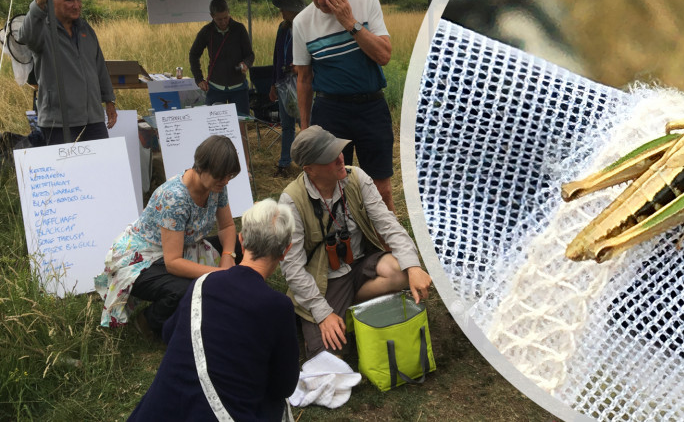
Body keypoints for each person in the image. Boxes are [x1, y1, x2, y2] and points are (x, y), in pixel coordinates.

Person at [128, 199, 299, 422]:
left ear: (241, 240)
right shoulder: (279, 307)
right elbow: (284, 386)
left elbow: (171, 332)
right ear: (285, 251)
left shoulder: (202, 283)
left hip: (161, 411)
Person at [279, 125, 432, 358]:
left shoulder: (357, 178)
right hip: (325, 279)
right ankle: (332, 312)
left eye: (338, 150)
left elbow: (388, 224)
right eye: (330, 157)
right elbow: (292, 268)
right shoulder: (291, 201)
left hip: (361, 264)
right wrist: (323, 313)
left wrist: (413, 266)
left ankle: (348, 306)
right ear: (310, 169)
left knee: (400, 272)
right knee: (329, 357)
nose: (340, 158)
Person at [94, 135, 242, 338]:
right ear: (202, 167)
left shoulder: (216, 186)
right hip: (143, 259)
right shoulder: (175, 198)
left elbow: (226, 226)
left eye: (229, 176)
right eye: (221, 177)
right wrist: (219, 274)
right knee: (184, 290)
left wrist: (228, 255)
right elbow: (173, 263)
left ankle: (232, 297)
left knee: (244, 244)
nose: (225, 181)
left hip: (180, 249)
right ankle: (148, 320)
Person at [293, 0, 397, 211]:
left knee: (381, 190)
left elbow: (383, 55)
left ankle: (390, 246)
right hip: (330, 111)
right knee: (332, 190)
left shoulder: (366, 0)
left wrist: (350, 22)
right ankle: (346, 248)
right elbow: (304, 79)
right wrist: (305, 128)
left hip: (371, 107)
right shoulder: (302, 22)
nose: (319, 0)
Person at [18, 0, 117, 145]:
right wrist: (38, 4)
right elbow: (25, 36)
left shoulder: (85, 29)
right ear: (52, 1)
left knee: (99, 169)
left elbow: (99, 67)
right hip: (58, 123)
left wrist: (109, 101)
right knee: (67, 171)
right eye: (69, 0)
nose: (76, 5)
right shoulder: (43, 30)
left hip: (93, 120)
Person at [189, 0, 254, 116]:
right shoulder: (206, 31)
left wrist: (245, 64)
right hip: (215, 87)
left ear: (229, 12)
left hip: (239, 87)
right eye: (219, 20)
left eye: (226, 17)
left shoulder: (239, 28)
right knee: (214, 124)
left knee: (242, 123)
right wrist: (199, 79)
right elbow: (193, 54)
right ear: (212, 16)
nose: (224, 22)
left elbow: (250, 55)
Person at [269, 0, 306, 177]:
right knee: (287, 125)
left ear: (294, 10)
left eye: (284, 8)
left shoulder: (307, 28)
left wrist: (300, 66)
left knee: (305, 125)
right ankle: (284, 163)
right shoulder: (282, 27)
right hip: (283, 82)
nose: (281, 11)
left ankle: (309, 164)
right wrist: (273, 84)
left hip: (301, 82)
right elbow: (277, 56)